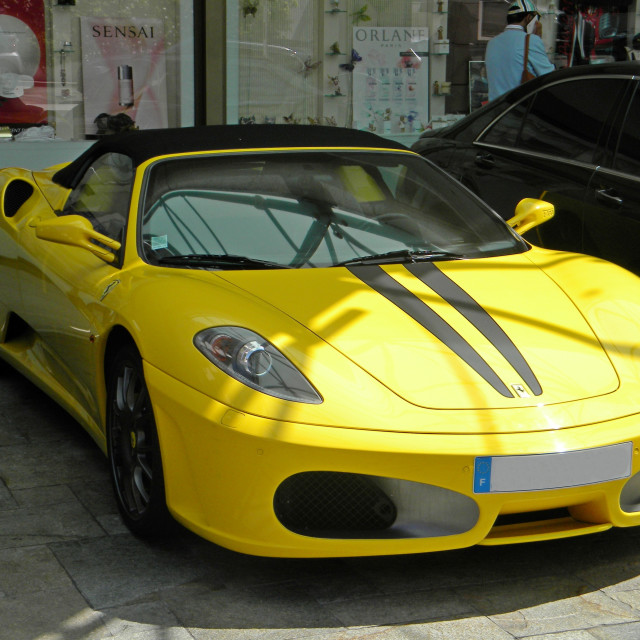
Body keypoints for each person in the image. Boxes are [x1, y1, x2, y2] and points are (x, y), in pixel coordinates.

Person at [485, 0, 555, 102]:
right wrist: (537, 39)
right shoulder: (531, 41)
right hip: (518, 109)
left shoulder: (492, 43)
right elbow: (549, 75)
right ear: (528, 18)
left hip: (496, 109)